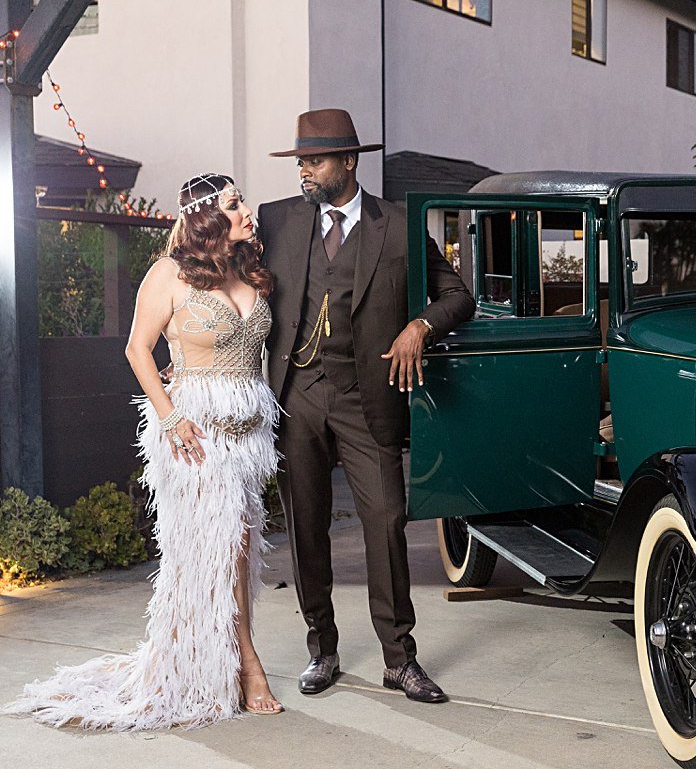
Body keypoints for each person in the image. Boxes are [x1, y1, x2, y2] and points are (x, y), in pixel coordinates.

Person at [3, 174, 284, 729]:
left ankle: (214, 662)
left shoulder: (248, 268)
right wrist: (172, 415)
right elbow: (137, 348)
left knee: (241, 548)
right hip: (195, 434)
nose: (248, 210)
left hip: (248, 435)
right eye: (235, 204)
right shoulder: (168, 273)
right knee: (216, 548)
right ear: (208, 216)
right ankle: (245, 665)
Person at [259, 109, 473, 703]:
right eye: (300, 159)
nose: (304, 169)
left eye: (315, 159)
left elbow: (458, 294)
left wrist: (418, 327)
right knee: (307, 526)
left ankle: (399, 661)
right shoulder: (276, 222)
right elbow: (230, 282)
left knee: (385, 521)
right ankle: (321, 649)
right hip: (297, 396)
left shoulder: (400, 225)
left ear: (349, 162)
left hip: (366, 398)